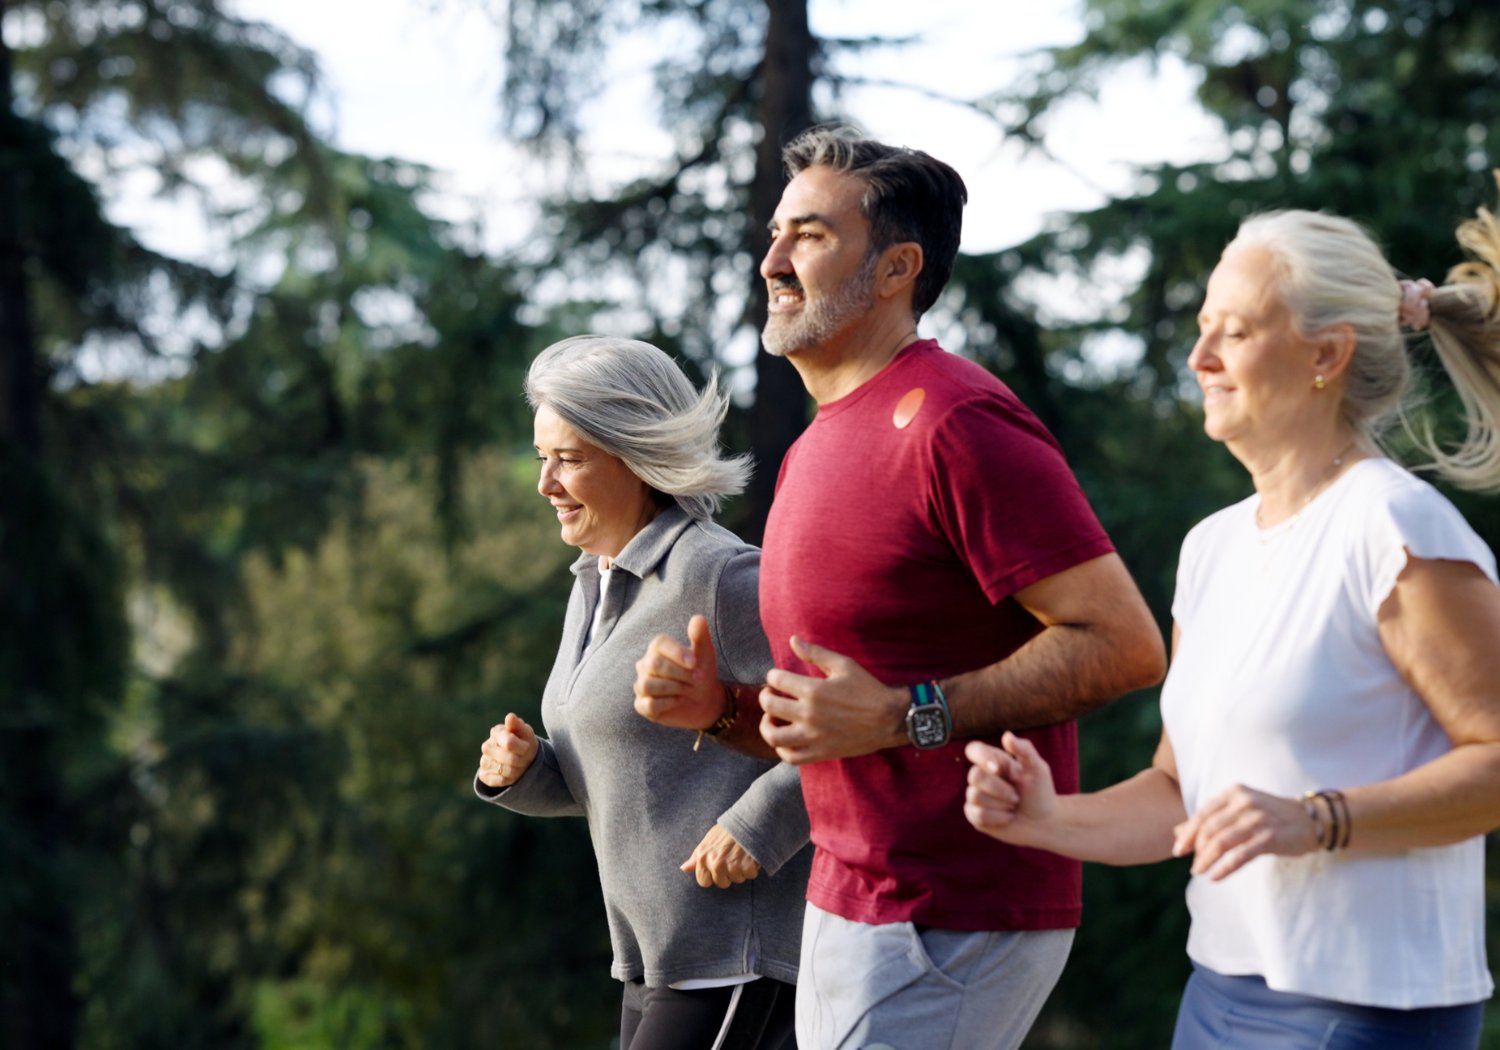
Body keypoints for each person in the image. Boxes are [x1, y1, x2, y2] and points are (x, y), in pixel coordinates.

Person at [632, 127, 1166, 1050]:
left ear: (894, 270)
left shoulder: (957, 421)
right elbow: (839, 723)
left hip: (950, 912)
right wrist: (720, 711)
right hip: (846, 902)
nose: (771, 262)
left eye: (809, 235)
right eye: (774, 235)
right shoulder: (814, 447)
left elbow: (1122, 644)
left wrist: (904, 714)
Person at [964, 203, 1500, 1049]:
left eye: (1235, 333)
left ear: (1325, 355)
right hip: (1217, 995)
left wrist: (1317, 818)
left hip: (1368, 1011)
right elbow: (1181, 792)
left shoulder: (1398, 528)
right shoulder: (1210, 548)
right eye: (1202, 328)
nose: (1199, 357)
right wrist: (1046, 818)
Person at [475, 335, 810, 1050]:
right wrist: (527, 770)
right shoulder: (593, 585)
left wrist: (757, 827)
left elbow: (847, 727)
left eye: (569, 460)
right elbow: (614, 774)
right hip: (654, 957)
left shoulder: (720, 577)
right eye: (543, 459)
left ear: (637, 455)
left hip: (738, 952)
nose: (546, 484)